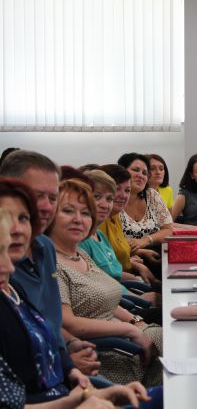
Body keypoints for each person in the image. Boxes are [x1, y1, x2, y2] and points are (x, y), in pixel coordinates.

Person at [0, 210, 152, 408]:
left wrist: (80, 385)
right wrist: (79, 400)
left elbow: (48, 338)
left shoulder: (13, 291)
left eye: (6, 251)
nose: (10, 267)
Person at [47, 179, 163, 386]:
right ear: (49, 216)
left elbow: (106, 298)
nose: (78, 219)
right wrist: (129, 330)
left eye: (85, 213)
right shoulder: (51, 264)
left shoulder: (81, 255)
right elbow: (68, 323)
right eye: (68, 211)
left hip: (127, 335)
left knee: (189, 338)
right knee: (183, 348)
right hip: (112, 353)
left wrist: (136, 321)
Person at [0, 151, 100, 377]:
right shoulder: (7, 261)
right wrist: (65, 366)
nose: (47, 207)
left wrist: (70, 343)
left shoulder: (45, 247)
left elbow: (46, 321)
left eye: (53, 198)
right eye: (37, 196)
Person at [80, 170, 160, 307]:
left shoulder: (101, 233)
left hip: (126, 291)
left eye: (109, 199)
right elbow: (99, 289)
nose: (104, 204)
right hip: (119, 303)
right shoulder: (82, 240)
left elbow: (114, 272)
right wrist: (138, 299)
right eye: (97, 197)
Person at [99, 165, 159, 287]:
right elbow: (105, 269)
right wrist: (136, 273)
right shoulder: (100, 222)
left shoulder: (115, 215)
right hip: (120, 284)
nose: (123, 195)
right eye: (117, 189)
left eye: (127, 190)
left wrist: (139, 254)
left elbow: (116, 252)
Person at [117, 153, 173, 279]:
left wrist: (146, 240)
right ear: (122, 172)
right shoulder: (114, 200)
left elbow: (168, 229)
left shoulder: (151, 195)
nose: (141, 175)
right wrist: (138, 251)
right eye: (135, 170)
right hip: (127, 258)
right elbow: (110, 242)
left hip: (157, 254)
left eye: (144, 173)